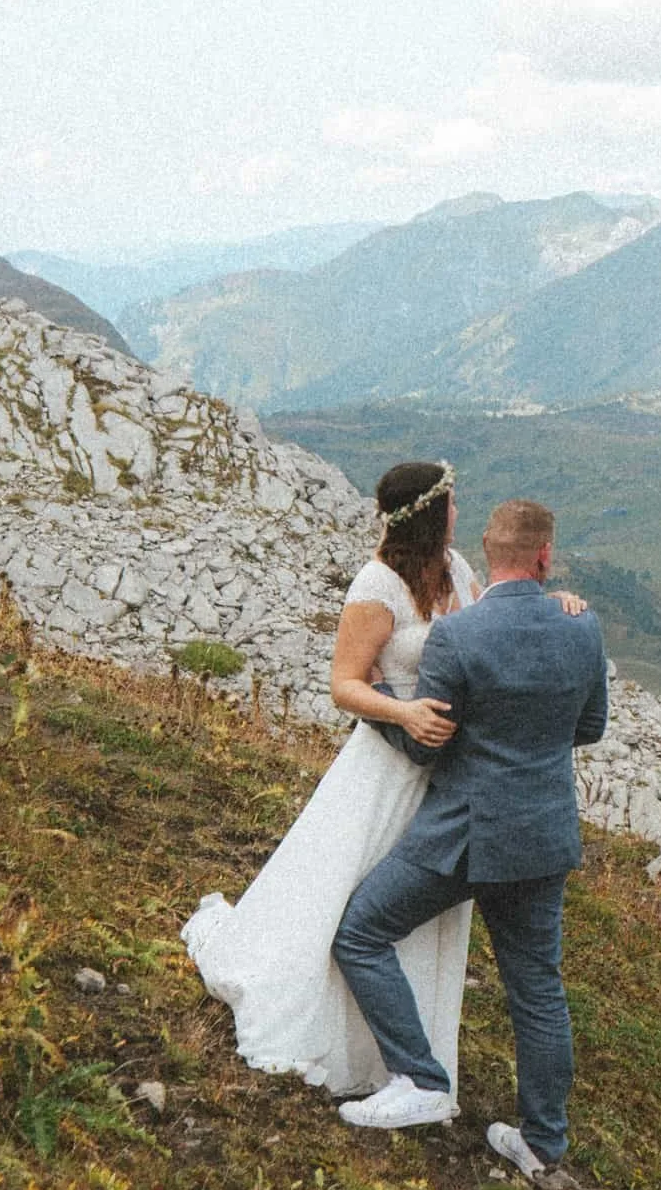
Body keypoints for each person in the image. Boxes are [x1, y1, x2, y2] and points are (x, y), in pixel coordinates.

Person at [179, 459, 479, 1101]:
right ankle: (336, 1028)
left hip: (445, 771)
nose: (459, 512)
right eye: (452, 503)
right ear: (431, 513)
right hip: (387, 767)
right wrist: (404, 711)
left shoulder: (459, 574)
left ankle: (400, 1041)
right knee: (347, 893)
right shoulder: (378, 586)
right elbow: (344, 683)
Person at [332, 496, 609, 1187]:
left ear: (488, 553)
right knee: (537, 993)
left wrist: (379, 703)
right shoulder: (584, 627)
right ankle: (543, 1144)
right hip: (542, 837)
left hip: (462, 836)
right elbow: (591, 727)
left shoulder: (459, 637)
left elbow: (430, 742)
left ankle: (420, 1079)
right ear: (546, 557)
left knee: (362, 932)